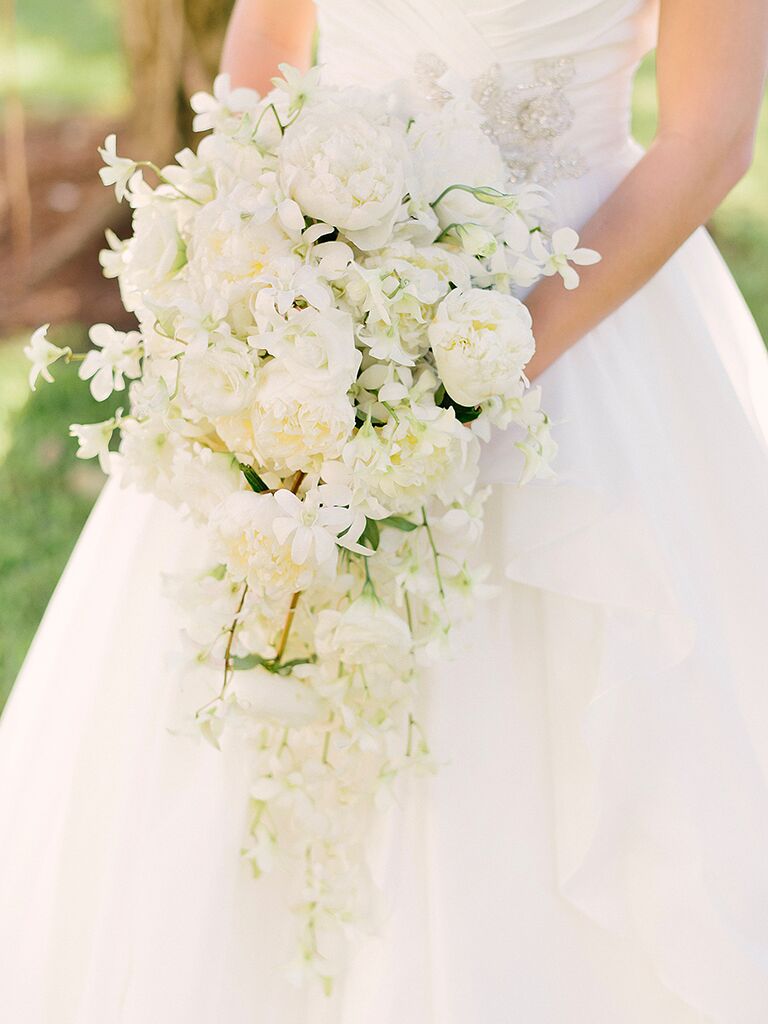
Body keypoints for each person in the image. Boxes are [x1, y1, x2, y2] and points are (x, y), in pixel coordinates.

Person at [2, 1, 768, 1020]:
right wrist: (261, 269)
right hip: (324, 304)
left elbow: (709, 136)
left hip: (580, 308)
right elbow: (268, 41)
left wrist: (490, 357)